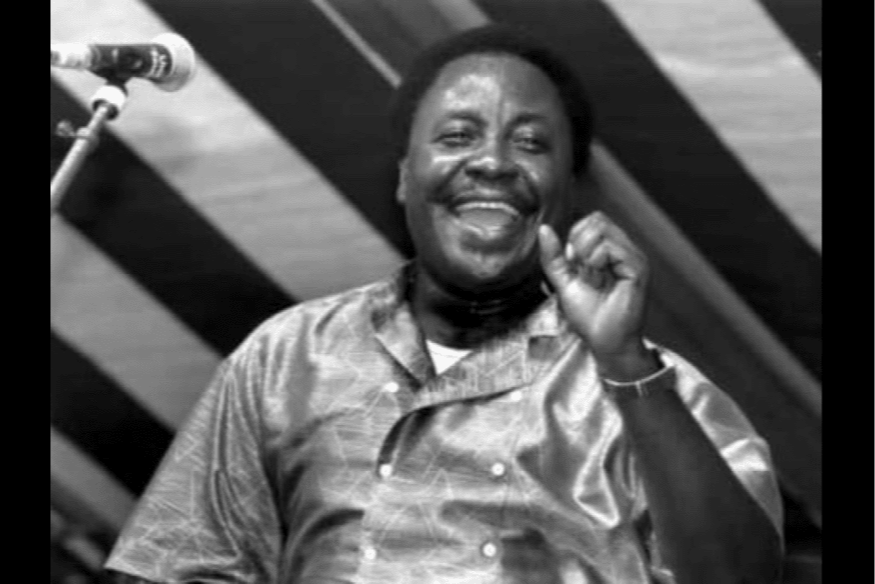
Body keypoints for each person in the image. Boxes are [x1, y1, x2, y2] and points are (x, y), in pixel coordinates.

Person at [106, 25, 783, 584]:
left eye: (530, 142)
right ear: (405, 177)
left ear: (570, 190)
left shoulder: (655, 389)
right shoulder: (287, 356)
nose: (492, 162)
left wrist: (626, 365)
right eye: (458, 136)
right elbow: (172, 564)